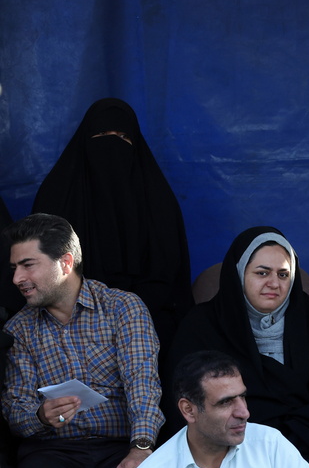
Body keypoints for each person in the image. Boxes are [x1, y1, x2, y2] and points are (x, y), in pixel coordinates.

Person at [1, 213, 164, 468]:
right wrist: (41, 416)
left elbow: (142, 383)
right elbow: (15, 410)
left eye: (28, 266)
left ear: (65, 262)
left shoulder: (122, 308)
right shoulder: (19, 329)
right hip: (51, 453)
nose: (16, 278)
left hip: (120, 447)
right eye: (14, 268)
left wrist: (140, 448)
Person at [165, 226, 309, 468]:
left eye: (283, 274)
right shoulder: (202, 327)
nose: (274, 283)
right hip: (224, 452)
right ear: (238, 274)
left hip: (304, 453)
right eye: (261, 273)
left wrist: (284, 444)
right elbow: (186, 402)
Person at [31, 98, 194, 360]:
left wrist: (130, 316)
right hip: (69, 325)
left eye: (122, 137)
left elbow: (169, 278)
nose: (112, 145)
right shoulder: (56, 198)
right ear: (85, 141)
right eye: (101, 135)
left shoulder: (158, 202)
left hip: (149, 324)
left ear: (135, 144)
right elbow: (42, 274)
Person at [129, 350, 309, 468]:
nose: (244, 412)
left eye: (243, 397)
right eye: (225, 402)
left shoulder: (270, 444)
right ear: (188, 410)